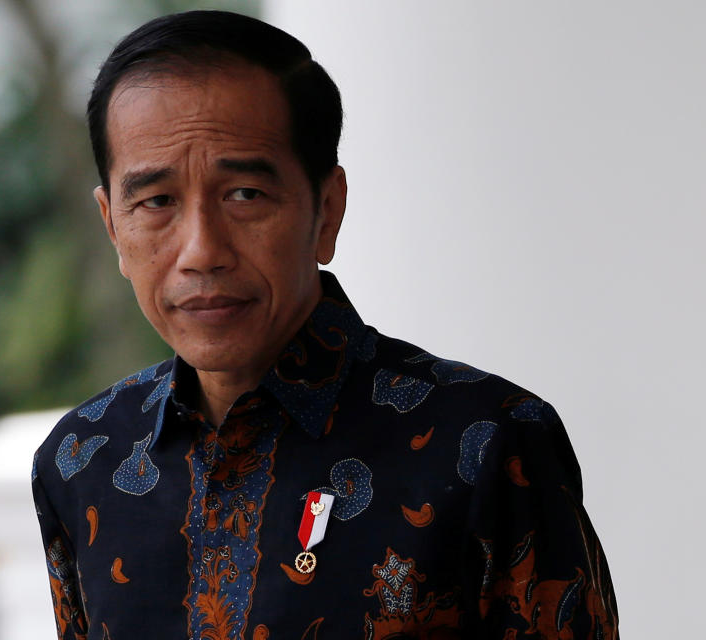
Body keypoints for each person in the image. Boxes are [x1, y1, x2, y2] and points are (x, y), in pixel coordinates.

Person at [32, 10, 618, 639]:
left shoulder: (485, 445)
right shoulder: (83, 461)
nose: (201, 250)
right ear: (113, 227)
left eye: (244, 194)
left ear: (327, 210)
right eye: (156, 201)